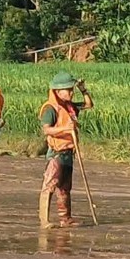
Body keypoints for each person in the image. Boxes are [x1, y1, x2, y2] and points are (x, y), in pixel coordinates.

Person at [38, 71, 91, 227]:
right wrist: (66, 129)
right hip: (56, 153)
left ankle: (65, 218)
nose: (71, 92)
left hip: (69, 153)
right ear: (58, 91)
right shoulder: (50, 109)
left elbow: (88, 105)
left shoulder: (69, 107)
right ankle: (44, 221)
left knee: (65, 187)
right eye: (68, 90)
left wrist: (83, 89)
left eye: (71, 89)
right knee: (50, 185)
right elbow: (46, 130)